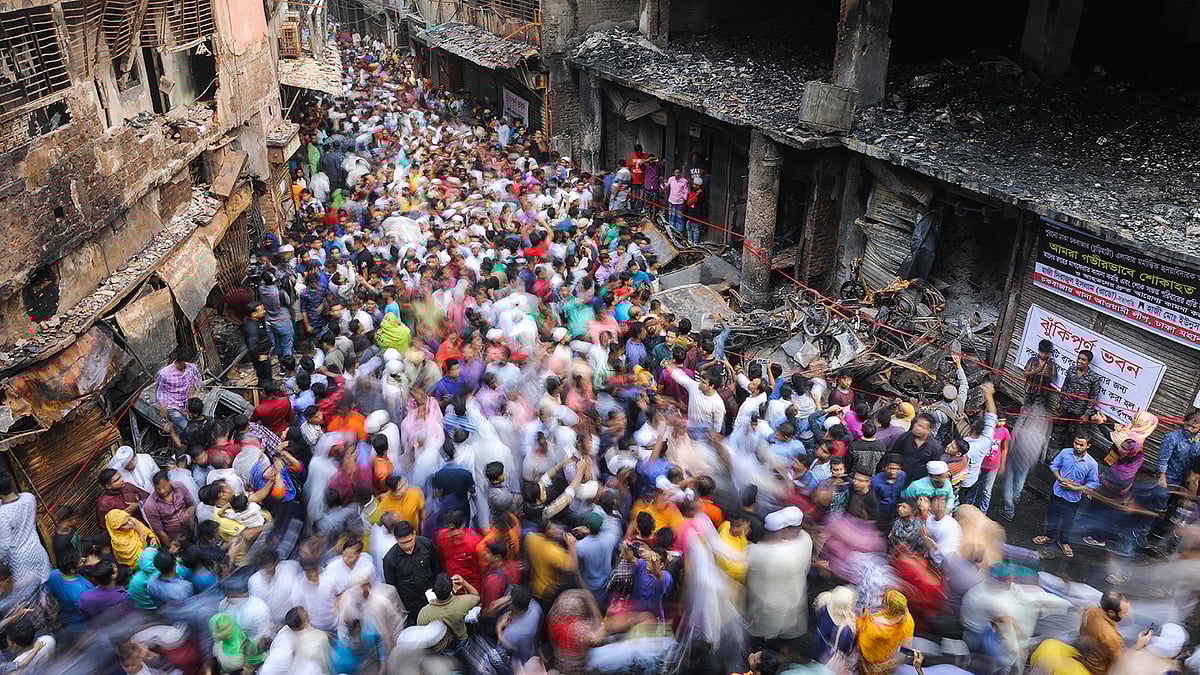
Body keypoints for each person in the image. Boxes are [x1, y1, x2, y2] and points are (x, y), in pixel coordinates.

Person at [745, 506, 812, 642]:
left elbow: (747, 556)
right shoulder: (805, 539)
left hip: (771, 605)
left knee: (768, 634)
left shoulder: (771, 553)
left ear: (785, 530)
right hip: (794, 599)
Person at [1033, 432, 1100, 558]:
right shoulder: (1065, 452)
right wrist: (1060, 479)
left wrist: (1075, 488)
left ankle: (1064, 542)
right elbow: (1054, 466)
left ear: (1088, 446)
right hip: (1057, 492)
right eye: (1076, 443)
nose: (1077, 447)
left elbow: (1093, 483)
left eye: (1081, 445)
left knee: (1068, 522)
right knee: (1052, 516)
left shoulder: (1092, 464)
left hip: (1073, 498)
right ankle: (1049, 536)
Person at [1078, 590, 1152, 674]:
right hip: (1098, 669)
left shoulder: (1091, 610)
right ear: (1111, 612)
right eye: (1124, 612)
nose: (1126, 614)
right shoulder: (1109, 636)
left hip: (1088, 654)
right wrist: (1139, 644)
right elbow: (1121, 662)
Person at [383, 520, 437, 624]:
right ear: (396, 539)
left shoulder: (426, 545)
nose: (407, 545)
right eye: (403, 543)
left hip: (431, 599)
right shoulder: (390, 559)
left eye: (410, 541)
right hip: (410, 607)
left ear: (414, 534)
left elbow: (436, 568)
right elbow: (391, 588)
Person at [0, 473, 50, 584]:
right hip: (37, 551)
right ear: (12, 485)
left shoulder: (2, 514)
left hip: (20, 561)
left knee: (31, 591)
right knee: (46, 584)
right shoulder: (29, 498)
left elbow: (4, 546)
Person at [416, 573, 479, 653]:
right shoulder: (462, 602)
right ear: (451, 589)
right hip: (461, 641)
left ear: (433, 591)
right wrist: (464, 583)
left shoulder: (424, 613)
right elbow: (476, 596)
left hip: (441, 649)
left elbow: (422, 638)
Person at [856, 589, 915, 674]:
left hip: (872, 661)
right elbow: (906, 648)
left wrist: (861, 619)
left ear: (888, 606)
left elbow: (864, 642)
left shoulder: (876, 624)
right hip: (888, 659)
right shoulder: (908, 619)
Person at [142, 470, 196, 546]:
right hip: (174, 538)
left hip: (190, 528)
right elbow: (160, 532)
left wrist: (189, 514)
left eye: (164, 487)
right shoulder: (150, 506)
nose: (162, 491)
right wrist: (171, 546)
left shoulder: (180, 486)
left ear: (169, 482)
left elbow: (191, 504)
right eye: (158, 489)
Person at [156, 351, 204, 435]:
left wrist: (195, 393)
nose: (187, 365)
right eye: (184, 363)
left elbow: (197, 380)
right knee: (186, 428)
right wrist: (162, 406)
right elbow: (160, 391)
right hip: (172, 405)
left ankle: (180, 437)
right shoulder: (165, 374)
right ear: (180, 361)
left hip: (187, 404)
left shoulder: (191, 368)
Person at [242, 301, 275, 384]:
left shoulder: (253, 320)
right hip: (261, 357)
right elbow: (252, 346)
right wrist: (258, 357)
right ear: (254, 314)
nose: (264, 311)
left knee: (262, 375)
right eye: (262, 310)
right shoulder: (252, 329)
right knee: (265, 377)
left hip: (263, 353)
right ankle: (266, 388)